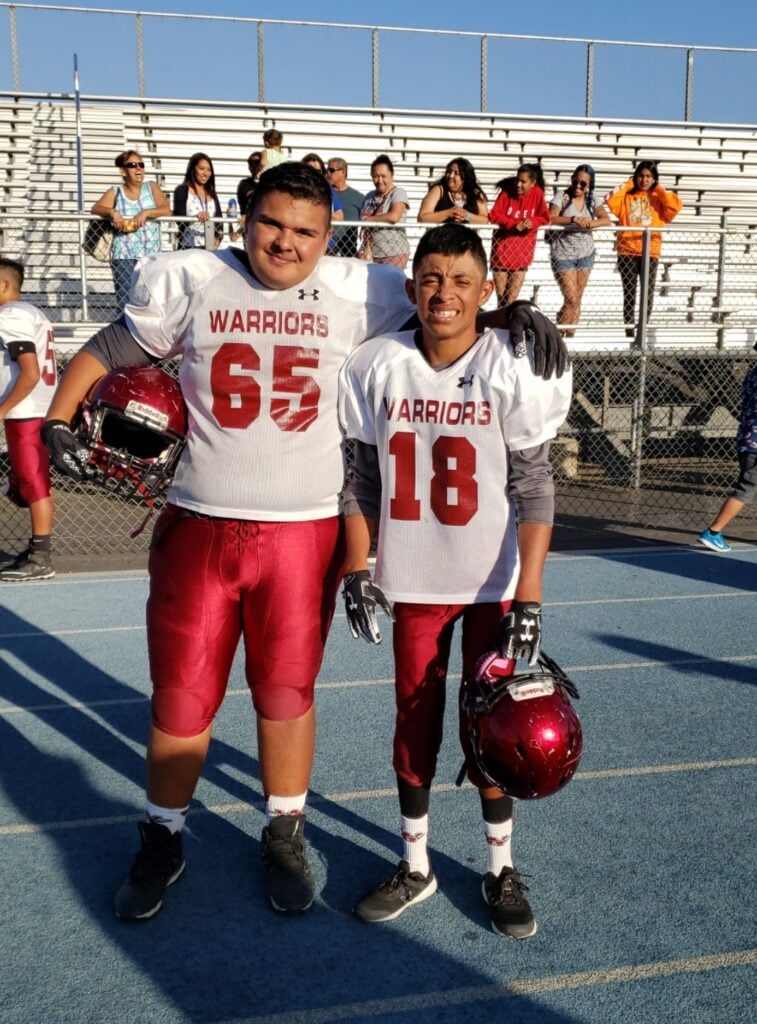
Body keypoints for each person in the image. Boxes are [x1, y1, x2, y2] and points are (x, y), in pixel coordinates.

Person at [41, 163, 567, 924]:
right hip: (198, 520)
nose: (285, 243)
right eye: (271, 223)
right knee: (182, 696)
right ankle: (162, 836)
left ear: (329, 236)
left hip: (304, 532)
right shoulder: (195, 279)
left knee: (286, 693)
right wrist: (59, 413)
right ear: (243, 214)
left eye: (305, 231)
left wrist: (511, 320)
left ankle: (284, 831)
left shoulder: (361, 290)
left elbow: (444, 308)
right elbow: (115, 343)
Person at [338, 223, 572, 938]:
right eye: (431, 278)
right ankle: (416, 864)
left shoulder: (510, 363)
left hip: (491, 584)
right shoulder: (374, 363)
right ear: (412, 284)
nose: (444, 292)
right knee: (414, 726)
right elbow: (359, 481)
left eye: (461, 280)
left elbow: (535, 490)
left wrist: (529, 594)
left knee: (495, 728)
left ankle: (499, 870)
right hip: (412, 580)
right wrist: (357, 566)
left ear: (483, 290)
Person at [0, 257, 57, 582]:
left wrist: (2, 408)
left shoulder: (11, 315)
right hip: (35, 408)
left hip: (27, 411)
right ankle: (37, 549)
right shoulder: (31, 312)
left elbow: (30, 372)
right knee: (30, 482)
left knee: (34, 485)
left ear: (6, 285)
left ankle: (41, 555)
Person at [603, 161, 683, 338]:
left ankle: (642, 332)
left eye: (648, 176)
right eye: (640, 175)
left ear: (654, 178)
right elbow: (610, 198)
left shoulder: (659, 197)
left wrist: (659, 189)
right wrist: (629, 183)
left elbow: (674, 208)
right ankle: (629, 333)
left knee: (647, 294)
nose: (644, 180)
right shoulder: (626, 196)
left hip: (650, 252)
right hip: (627, 252)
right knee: (629, 294)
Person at [91, 150, 170, 316]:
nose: (138, 168)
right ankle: (124, 336)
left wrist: (146, 213)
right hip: (124, 253)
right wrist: (113, 212)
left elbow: (166, 210)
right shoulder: (116, 191)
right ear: (123, 171)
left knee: (152, 301)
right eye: (132, 165)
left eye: (141, 164)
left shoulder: (151, 187)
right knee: (125, 302)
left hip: (151, 254)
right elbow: (95, 208)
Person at [698, 344, 757, 552]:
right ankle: (713, 532)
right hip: (755, 443)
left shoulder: (753, 374)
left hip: (747, 439)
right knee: (746, 488)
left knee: (748, 486)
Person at [547, 164, 610, 336]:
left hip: (585, 253)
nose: (578, 186)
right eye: (575, 181)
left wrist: (590, 223)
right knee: (571, 298)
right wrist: (573, 219)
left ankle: (569, 334)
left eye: (583, 183)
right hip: (563, 253)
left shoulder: (592, 199)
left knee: (577, 298)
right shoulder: (562, 196)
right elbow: (550, 218)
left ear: (589, 185)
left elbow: (606, 219)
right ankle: (559, 334)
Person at [489, 163, 550, 308]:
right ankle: (500, 329)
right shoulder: (506, 191)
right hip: (501, 253)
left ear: (533, 183)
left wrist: (532, 222)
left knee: (510, 302)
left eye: (523, 182)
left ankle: (506, 328)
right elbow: (494, 215)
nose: (518, 184)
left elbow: (545, 217)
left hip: (521, 255)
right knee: (501, 301)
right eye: (517, 180)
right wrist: (513, 224)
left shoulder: (537, 194)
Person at [359, 155, 410, 270]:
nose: (379, 180)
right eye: (375, 176)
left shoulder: (398, 193)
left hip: (393, 252)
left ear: (392, 175)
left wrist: (371, 220)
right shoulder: (368, 197)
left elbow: (394, 216)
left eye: (383, 176)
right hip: (372, 252)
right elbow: (364, 221)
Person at [172, 152, 223, 251]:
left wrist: (218, 237)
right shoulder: (182, 190)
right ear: (193, 169)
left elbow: (219, 221)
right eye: (201, 169)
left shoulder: (212, 193)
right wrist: (195, 218)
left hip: (209, 249)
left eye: (209, 170)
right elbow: (179, 219)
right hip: (187, 247)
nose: (206, 173)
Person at [417, 157, 489, 226]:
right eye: (449, 171)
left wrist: (466, 215)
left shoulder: (475, 193)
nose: (451, 176)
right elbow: (422, 217)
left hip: (468, 237)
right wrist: (448, 213)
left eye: (456, 173)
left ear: (465, 177)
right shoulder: (438, 190)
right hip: (442, 236)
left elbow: (485, 220)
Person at [325, 157, 364, 257]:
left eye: (332, 170)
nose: (328, 173)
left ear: (343, 172)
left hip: (348, 252)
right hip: (328, 250)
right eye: (327, 170)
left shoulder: (358, 198)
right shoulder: (325, 194)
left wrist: (363, 249)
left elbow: (366, 224)